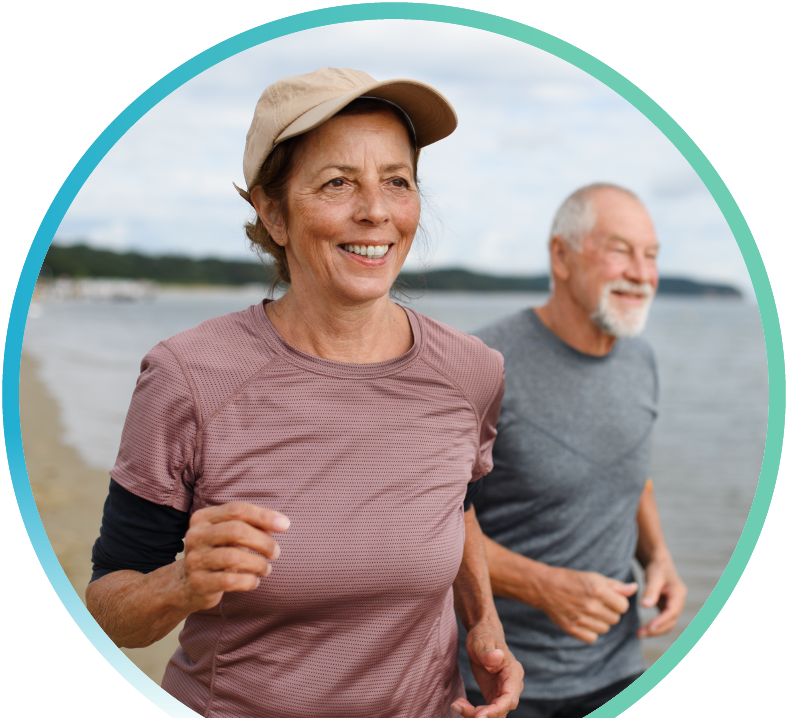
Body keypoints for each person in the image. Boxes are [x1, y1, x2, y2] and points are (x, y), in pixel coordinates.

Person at [84, 67, 523, 718]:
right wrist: (179, 585)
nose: (375, 210)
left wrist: (485, 621)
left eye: (397, 181)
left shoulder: (472, 371)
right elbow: (107, 611)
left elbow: (453, 506)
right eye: (338, 182)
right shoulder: (188, 377)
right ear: (272, 212)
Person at [458, 184, 687, 717]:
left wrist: (659, 557)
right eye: (619, 250)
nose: (641, 272)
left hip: (620, 672)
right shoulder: (482, 366)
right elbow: (421, 523)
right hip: (500, 680)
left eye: (651, 255)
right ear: (560, 255)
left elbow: (628, 471)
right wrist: (541, 585)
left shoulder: (642, 361)